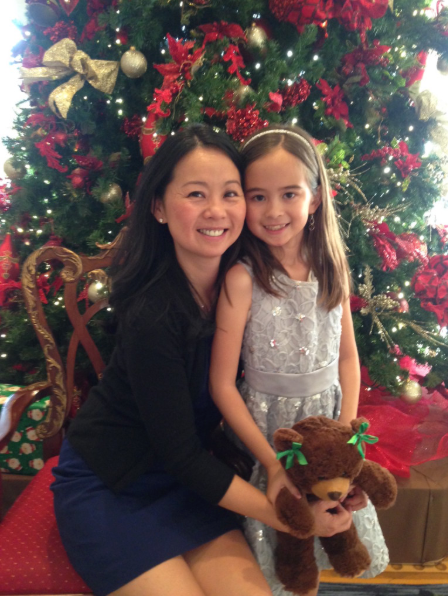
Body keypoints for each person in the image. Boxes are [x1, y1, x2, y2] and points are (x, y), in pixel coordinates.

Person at [51, 124, 353, 596]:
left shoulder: (247, 283)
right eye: (196, 194)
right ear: (158, 207)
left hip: (189, 482)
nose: (216, 211)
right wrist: (293, 518)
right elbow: (181, 453)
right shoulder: (153, 314)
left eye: (231, 193)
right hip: (112, 483)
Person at [209, 125, 390, 596]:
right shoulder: (242, 279)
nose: (273, 211)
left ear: (313, 198)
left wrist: (346, 433)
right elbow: (223, 385)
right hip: (269, 433)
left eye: (288, 193)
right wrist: (271, 465)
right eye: (257, 196)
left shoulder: (332, 265)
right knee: (282, 552)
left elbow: (347, 358)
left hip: (329, 422)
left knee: (329, 524)